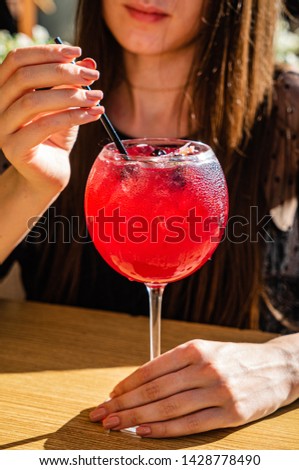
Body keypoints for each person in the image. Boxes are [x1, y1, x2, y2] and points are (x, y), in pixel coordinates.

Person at [0, 0, 298, 438]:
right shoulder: (38, 110)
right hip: (66, 429)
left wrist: (287, 364)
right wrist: (27, 186)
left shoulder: (289, 117)